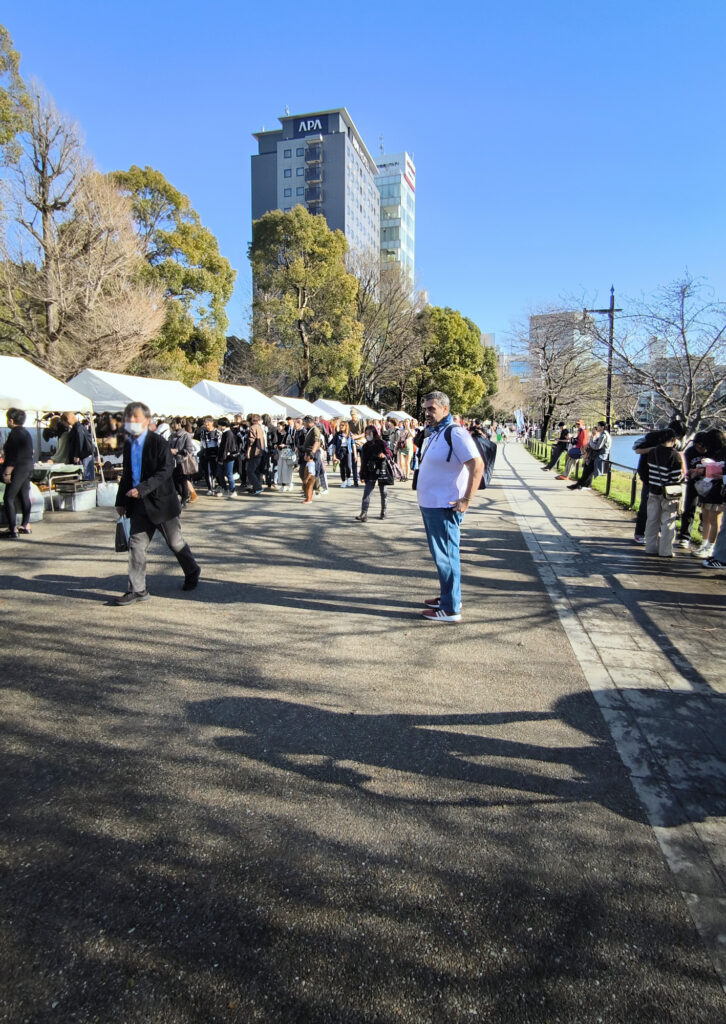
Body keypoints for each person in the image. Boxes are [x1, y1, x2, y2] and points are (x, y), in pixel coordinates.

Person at [114, 401, 200, 604]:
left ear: (146, 420)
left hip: (161, 504)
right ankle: (137, 589)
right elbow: (127, 474)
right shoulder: (128, 444)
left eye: (135, 417)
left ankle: (192, 570)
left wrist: (142, 488)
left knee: (175, 543)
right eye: (128, 418)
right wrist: (121, 501)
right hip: (137, 505)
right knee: (136, 545)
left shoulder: (158, 443)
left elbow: (165, 471)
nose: (131, 421)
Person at [416, 391, 483, 623]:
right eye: (425, 409)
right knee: (441, 556)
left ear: (445, 409)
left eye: (432, 409)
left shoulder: (455, 433)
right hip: (432, 505)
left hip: (444, 507)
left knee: (446, 556)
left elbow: (477, 464)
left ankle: (450, 608)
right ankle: (448, 596)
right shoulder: (437, 433)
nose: (427, 413)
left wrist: (466, 499)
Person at [643, 429, 685, 558]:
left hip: (653, 490)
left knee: (652, 520)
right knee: (668, 522)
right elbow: (676, 477)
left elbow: (648, 470)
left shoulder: (652, 453)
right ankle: (665, 551)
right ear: (673, 440)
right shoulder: (675, 456)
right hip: (669, 494)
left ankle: (650, 548)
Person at [1, 408, 34, 539]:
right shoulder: (26, 433)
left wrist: (7, 472)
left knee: (8, 497)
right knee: (24, 495)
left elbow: (13, 455)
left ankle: (12, 529)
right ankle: (25, 525)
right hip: (27, 466)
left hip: (18, 468)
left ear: (11, 420)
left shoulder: (14, 434)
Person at [355, 425, 391, 522]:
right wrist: (361, 473)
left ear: (374, 433)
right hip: (370, 470)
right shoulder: (365, 446)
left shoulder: (382, 443)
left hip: (381, 470)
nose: (367, 435)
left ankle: (383, 511)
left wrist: (384, 455)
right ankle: (364, 513)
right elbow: (363, 461)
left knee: (383, 492)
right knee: (367, 492)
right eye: (366, 433)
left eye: (369, 433)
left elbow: (389, 454)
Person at [568, 421, 611, 490]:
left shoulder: (604, 435)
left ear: (602, 427)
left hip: (599, 456)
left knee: (588, 471)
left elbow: (597, 447)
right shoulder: (602, 434)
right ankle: (582, 485)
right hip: (595, 455)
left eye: (598, 426)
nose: (597, 427)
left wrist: (591, 438)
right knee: (587, 470)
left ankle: (579, 485)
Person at [168, 418, 197, 506]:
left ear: (179, 424)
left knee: (183, 480)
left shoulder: (185, 435)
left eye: (173, 424)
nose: (172, 426)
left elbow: (189, 449)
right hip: (172, 461)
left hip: (182, 461)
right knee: (174, 480)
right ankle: (183, 495)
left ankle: (184, 498)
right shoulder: (172, 435)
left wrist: (176, 451)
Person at [64, 412, 95, 480]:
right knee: (83, 475)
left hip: (83, 456)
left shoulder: (78, 428)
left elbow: (80, 441)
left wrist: (77, 455)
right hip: (83, 455)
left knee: (85, 476)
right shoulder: (77, 427)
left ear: (68, 420)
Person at [216, 418, 240, 498]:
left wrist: (222, 459)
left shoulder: (228, 433)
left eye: (219, 424)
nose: (218, 426)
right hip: (225, 457)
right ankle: (225, 489)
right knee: (222, 474)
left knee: (228, 474)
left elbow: (226, 448)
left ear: (223, 425)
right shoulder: (227, 433)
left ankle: (232, 490)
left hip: (227, 457)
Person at [300, 415, 321, 504]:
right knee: (303, 473)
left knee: (310, 475)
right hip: (307, 452)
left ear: (309, 422)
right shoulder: (309, 430)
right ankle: (308, 493)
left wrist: (312, 452)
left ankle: (311, 494)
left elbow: (317, 441)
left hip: (312, 453)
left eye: (304, 422)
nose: (303, 424)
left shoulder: (315, 429)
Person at [199, 417, 221, 496]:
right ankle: (210, 488)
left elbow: (220, 443)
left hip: (215, 453)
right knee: (207, 472)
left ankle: (219, 486)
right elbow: (202, 443)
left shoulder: (217, 432)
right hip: (206, 452)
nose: (206, 424)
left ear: (212, 423)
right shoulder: (203, 432)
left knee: (216, 472)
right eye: (205, 422)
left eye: (208, 422)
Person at [245, 414, 267, 495]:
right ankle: (256, 487)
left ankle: (258, 487)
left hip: (254, 451)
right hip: (260, 451)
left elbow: (251, 441)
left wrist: (248, 451)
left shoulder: (253, 427)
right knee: (256, 471)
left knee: (250, 471)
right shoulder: (260, 427)